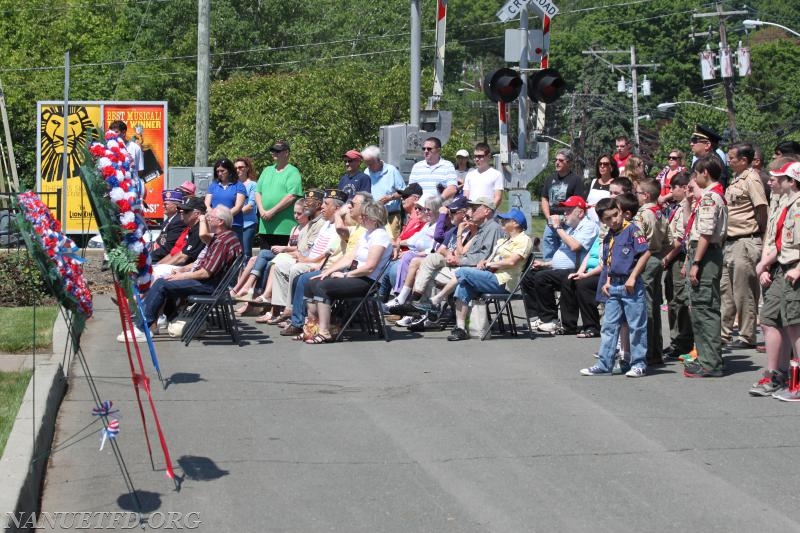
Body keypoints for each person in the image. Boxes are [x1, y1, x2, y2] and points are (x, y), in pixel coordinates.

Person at [118, 206, 242, 342]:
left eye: (210, 218)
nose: (207, 220)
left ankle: (142, 328)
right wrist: (182, 270)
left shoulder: (222, 242)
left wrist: (180, 276)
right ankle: (171, 320)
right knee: (166, 280)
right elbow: (203, 265)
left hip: (210, 286)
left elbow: (206, 273)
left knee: (162, 284)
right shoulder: (224, 237)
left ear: (220, 222)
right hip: (210, 282)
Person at [426, 208, 533, 341]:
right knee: (463, 285)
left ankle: (437, 299)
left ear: (516, 223)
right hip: (490, 276)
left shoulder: (524, 240)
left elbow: (512, 262)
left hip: (504, 282)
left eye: (506, 219)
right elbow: (492, 259)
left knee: (463, 271)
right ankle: (460, 329)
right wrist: (485, 262)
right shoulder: (504, 240)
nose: (502, 221)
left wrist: (490, 265)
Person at [302, 202, 393, 344]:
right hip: (355, 275)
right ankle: (312, 327)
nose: (360, 218)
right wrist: (327, 272)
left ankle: (324, 332)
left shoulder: (380, 236)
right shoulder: (366, 233)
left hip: (366, 281)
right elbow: (348, 258)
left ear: (374, 219)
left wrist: (345, 275)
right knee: (312, 282)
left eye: (364, 216)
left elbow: (369, 267)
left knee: (322, 287)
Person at [579, 197, 650, 377]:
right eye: (608, 219)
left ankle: (638, 363)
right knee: (609, 326)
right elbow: (610, 260)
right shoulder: (609, 236)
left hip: (630, 285)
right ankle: (604, 363)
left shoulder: (632, 230)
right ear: (602, 221)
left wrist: (633, 277)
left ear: (620, 210)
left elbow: (645, 253)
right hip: (614, 285)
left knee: (636, 325)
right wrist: (608, 281)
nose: (614, 220)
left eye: (616, 215)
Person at [750, 159, 796, 396]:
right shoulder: (779, 200)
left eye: (776, 178)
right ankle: (777, 372)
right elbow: (774, 237)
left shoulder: (794, 204)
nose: (770, 181)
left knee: (787, 324)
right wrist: (766, 265)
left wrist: (765, 263)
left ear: (790, 181)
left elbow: (788, 243)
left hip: (787, 266)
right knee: (772, 321)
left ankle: (780, 374)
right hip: (775, 265)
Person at [523, 195, 598, 333]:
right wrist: (545, 264)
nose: (565, 214)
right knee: (528, 275)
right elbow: (563, 256)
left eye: (569, 210)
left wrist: (558, 227)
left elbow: (575, 246)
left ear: (580, 212)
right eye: (565, 210)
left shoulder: (589, 226)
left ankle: (550, 319)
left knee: (542, 278)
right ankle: (536, 317)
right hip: (559, 269)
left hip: (574, 269)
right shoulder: (570, 228)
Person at [683, 156, 728, 378]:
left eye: (697, 173)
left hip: (706, 255)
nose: (695, 178)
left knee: (706, 308)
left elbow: (706, 233)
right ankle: (704, 357)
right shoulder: (708, 196)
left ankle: (711, 362)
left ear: (705, 173)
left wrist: (697, 262)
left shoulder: (711, 197)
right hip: (703, 252)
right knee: (699, 308)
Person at [721, 142, 768, 349]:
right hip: (730, 241)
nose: (728, 160)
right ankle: (724, 334)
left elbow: (761, 210)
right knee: (727, 291)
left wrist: (761, 240)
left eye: (732, 157)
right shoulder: (736, 179)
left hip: (745, 240)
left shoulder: (752, 179)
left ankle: (748, 335)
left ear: (744, 160)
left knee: (744, 291)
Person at [633, 178, 669, 366]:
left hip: (645, 259)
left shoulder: (643, 213)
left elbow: (637, 238)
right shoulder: (660, 213)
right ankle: (656, 350)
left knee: (645, 306)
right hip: (657, 257)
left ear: (646, 195)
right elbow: (669, 239)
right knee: (654, 305)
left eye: (638, 193)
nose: (636, 196)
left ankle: (646, 350)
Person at [661, 172, 694, 358]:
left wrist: (667, 257)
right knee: (672, 300)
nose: (671, 191)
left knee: (680, 302)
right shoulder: (676, 207)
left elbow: (681, 239)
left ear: (684, 188)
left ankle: (683, 342)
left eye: (674, 187)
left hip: (679, 258)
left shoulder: (685, 207)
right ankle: (675, 341)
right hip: (672, 258)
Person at [256, 140, 303, 247]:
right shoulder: (267, 170)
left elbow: (291, 196)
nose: (274, 153)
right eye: (273, 151)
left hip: (284, 228)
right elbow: (257, 192)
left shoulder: (292, 171)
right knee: (264, 257)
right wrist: (262, 210)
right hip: (265, 226)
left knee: (280, 260)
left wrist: (272, 211)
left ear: (286, 153)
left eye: (277, 151)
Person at [540, 148, 584, 260]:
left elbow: (579, 202)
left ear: (569, 163)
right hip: (551, 221)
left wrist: (566, 219)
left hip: (567, 222)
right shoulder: (550, 178)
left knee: (564, 251)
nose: (557, 162)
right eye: (556, 160)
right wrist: (548, 217)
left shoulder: (576, 180)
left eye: (561, 160)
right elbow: (544, 198)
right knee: (548, 248)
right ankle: (547, 270)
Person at [361, 145, 406, 238]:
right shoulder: (366, 172)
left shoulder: (391, 171)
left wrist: (390, 198)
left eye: (370, 163)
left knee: (391, 242)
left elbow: (404, 192)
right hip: (372, 216)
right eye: (366, 163)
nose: (368, 166)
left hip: (391, 216)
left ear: (378, 159)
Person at [205, 158, 247, 246]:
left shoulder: (238, 185)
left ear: (230, 170)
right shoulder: (214, 185)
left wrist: (223, 218)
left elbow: (238, 207)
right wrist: (211, 213)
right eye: (217, 171)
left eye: (222, 171)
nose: (220, 174)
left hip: (234, 225)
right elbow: (207, 203)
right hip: (215, 225)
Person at [150, 189, 187, 263]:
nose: (163, 206)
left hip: (165, 257)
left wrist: (149, 257)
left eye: (166, 204)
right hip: (159, 252)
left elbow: (168, 248)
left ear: (176, 206)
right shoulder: (169, 219)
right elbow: (160, 239)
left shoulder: (178, 221)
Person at [462, 142, 503, 208]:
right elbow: (465, 197)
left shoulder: (497, 174)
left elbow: (498, 198)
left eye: (480, 156)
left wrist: (488, 212)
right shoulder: (469, 175)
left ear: (488, 156)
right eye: (475, 156)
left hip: (488, 215)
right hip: (471, 214)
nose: (477, 159)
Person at [235, 157, 259, 263]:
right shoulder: (232, 185)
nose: (238, 170)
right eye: (235, 168)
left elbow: (250, 206)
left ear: (247, 168)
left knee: (246, 253)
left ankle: (247, 275)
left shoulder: (253, 185)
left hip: (248, 224)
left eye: (241, 167)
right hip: (234, 224)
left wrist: (231, 214)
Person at [586, 154, 618, 222]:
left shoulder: (615, 184)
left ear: (611, 167)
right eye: (600, 164)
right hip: (590, 222)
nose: (602, 166)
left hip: (606, 223)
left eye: (605, 164)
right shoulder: (593, 182)